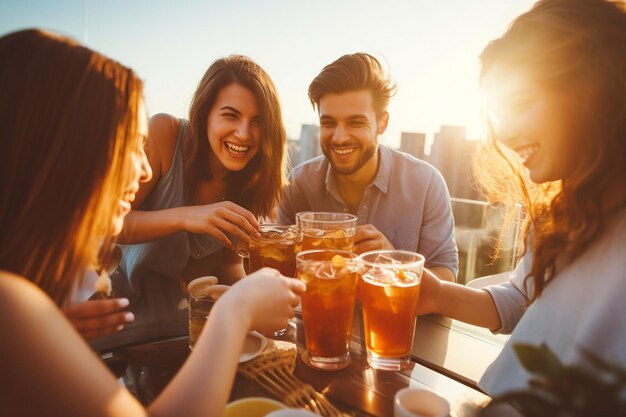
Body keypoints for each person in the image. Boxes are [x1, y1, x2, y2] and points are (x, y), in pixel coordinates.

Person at [0, 29, 304, 417]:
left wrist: (48, 336)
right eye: (128, 145)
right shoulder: (11, 302)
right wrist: (235, 312)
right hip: (128, 338)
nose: (144, 169)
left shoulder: (24, 307)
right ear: (63, 153)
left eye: (257, 122)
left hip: (172, 338)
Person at [417, 0, 626, 399]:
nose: (507, 136)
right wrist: (437, 294)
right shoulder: (564, 215)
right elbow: (519, 298)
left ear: (596, 88)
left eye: (522, 102)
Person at [101, 55, 288, 348]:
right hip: (116, 325)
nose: (243, 133)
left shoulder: (251, 179)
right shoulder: (165, 134)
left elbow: (229, 264)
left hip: (186, 334)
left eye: (257, 122)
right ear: (205, 114)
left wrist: (261, 307)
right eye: (230, 115)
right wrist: (186, 216)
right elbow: (106, 224)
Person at [277, 53, 457, 281]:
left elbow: (446, 277)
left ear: (382, 123)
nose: (340, 138)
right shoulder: (300, 183)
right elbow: (280, 268)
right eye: (328, 123)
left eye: (356, 122)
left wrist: (391, 261)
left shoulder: (426, 184)